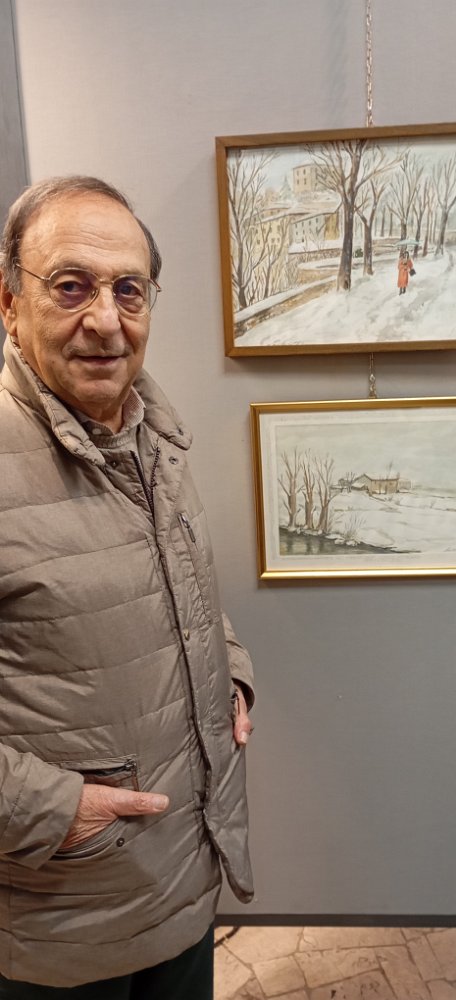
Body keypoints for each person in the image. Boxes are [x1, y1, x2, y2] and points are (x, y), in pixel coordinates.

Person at [0, 176, 255, 997]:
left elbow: (178, 592)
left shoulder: (151, 432)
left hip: (180, 873)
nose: (106, 320)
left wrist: (229, 670)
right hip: (60, 919)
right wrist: (54, 813)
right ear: (9, 303)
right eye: (71, 286)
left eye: (128, 290)